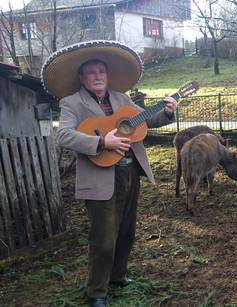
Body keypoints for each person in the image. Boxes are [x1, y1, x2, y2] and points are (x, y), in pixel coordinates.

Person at [41, 41, 178, 307]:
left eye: (101, 71)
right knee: (103, 237)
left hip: (130, 172)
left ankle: (117, 276)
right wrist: (103, 143)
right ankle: (96, 292)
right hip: (99, 176)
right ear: (82, 77)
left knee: (127, 230)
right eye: (91, 72)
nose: (97, 76)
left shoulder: (121, 98)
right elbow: (64, 135)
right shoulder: (72, 103)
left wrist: (168, 112)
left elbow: (148, 119)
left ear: (108, 75)